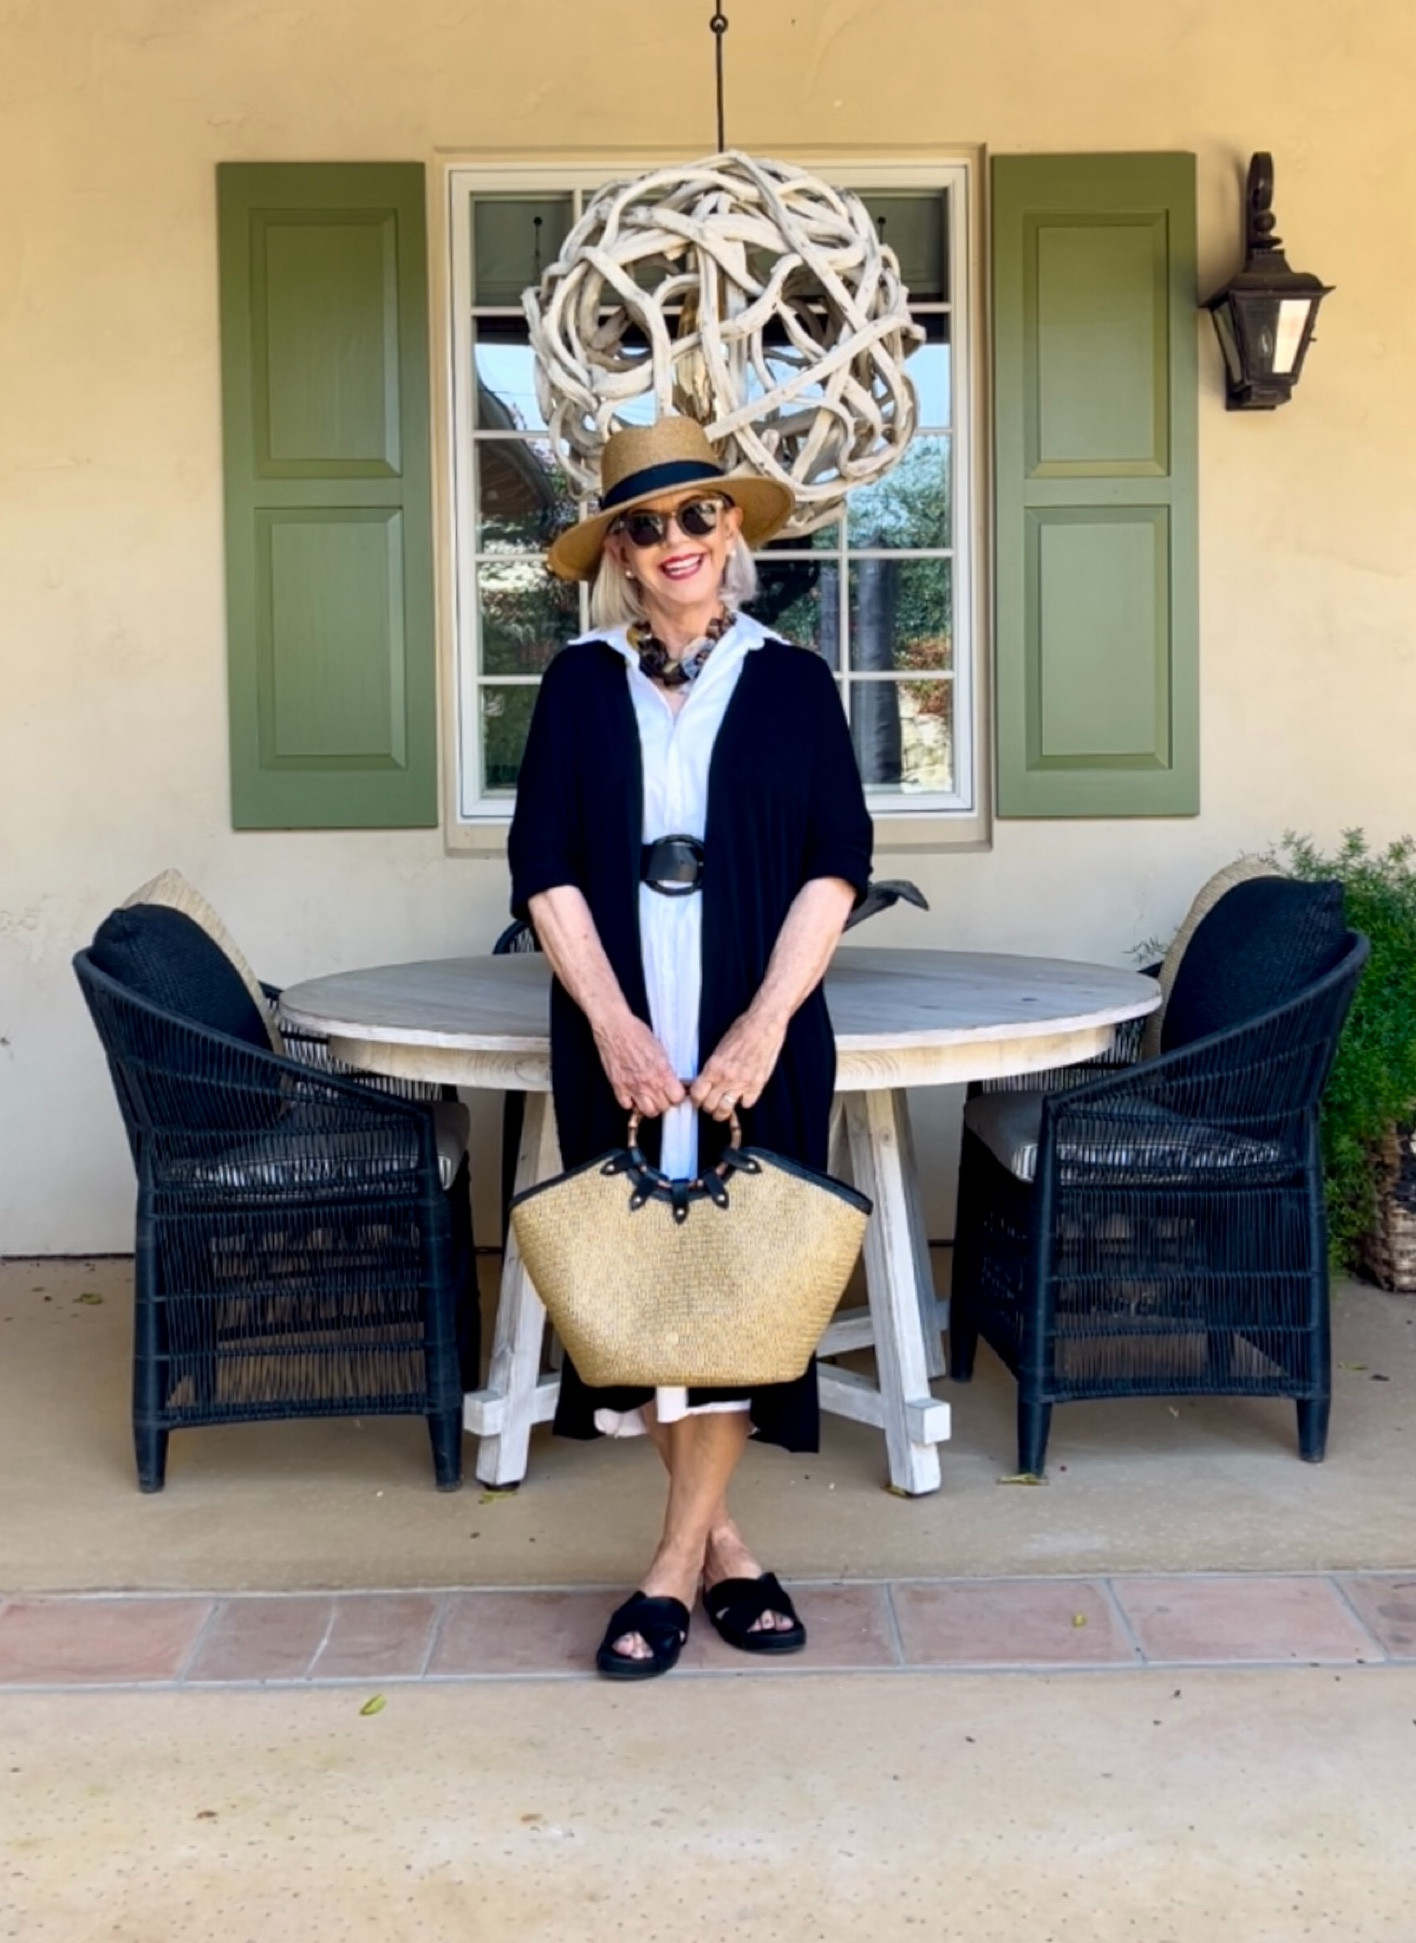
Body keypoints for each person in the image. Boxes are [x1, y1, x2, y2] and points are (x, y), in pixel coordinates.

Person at [508, 415, 872, 1679]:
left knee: (734, 1292)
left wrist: (766, 1021)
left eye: (698, 515)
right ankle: (723, 1546)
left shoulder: (793, 680)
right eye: (646, 523)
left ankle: (667, 1567)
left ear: (734, 530)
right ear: (619, 549)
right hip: (616, 1035)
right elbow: (542, 867)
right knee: (640, 1295)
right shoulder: (576, 685)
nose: (677, 541)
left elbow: (838, 865)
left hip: (755, 1038)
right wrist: (611, 1023)